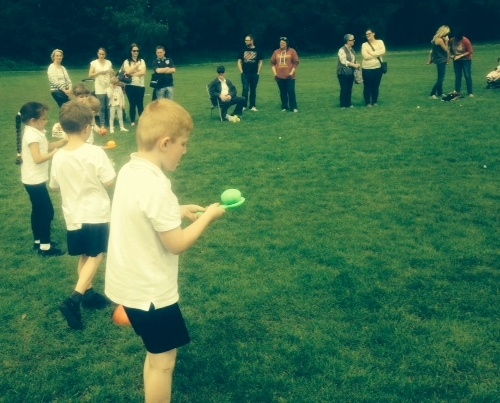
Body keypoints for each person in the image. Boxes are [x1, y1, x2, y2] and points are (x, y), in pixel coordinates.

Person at [105, 99, 225, 402]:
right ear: (165, 142)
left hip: (130, 287)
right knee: (163, 363)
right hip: (151, 295)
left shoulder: (131, 170)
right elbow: (177, 244)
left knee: (156, 353)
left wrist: (177, 209)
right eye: (183, 144)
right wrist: (209, 216)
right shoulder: (157, 187)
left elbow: (140, 212)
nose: (185, 150)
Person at [49, 101, 116, 330]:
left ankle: (88, 295)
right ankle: (74, 299)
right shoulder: (95, 152)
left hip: (73, 215)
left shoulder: (58, 155)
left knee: (85, 256)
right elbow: (109, 181)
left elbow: (54, 186)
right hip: (95, 212)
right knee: (96, 255)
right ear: (88, 128)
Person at [16, 102, 66, 256]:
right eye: (44, 119)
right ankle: (45, 247)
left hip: (33, 179)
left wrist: (63, 142)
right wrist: (56, 153)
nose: (46, 121)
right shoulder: (31, 135)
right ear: (33, 120)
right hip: (34, 180)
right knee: (47, 212)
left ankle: (38, 241)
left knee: (38, 210)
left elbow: (46, 147)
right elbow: (38, 158)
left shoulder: (35, 131)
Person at [271, 37, 300, 112]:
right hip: (279, 76)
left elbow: (295, 62)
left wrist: (291, 72)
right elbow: (272, 63)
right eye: (280, 43)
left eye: (283, 43)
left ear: (287, 44)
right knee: (282, 92)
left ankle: (293, 107)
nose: (281, 44)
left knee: (290, 91)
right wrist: (275, 73)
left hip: (290, 76)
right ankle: (284, 106)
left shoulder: (292, 51)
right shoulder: (276, 52)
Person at [122, 43, 147, 126]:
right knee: (132, 104)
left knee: (140, 104)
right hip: (130, 86)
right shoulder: (127, 61)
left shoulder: (142, 61)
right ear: (131, 51)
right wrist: (136, 66)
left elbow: (143, 72)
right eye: (134, 51)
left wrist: (132, 74)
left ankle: (142, 120)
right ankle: (132, 121)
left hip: (140, 85)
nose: (136, 52)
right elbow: (127, 71)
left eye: (137, 51)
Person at [237, 34, 263, 111]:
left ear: (251, 41)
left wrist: (258, 72)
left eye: (247, 40)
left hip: (254, 74)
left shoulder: (258, 50)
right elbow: (239, 61)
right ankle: (243, 106)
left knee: (253, 90)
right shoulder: (242, 50)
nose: (245, 42)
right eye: (245, 40)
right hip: (245, 74)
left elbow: (261, 61)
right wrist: (241, 71)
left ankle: (252, 106)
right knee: (245, 89)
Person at [88, 48, 113, 129]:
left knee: (109, 105)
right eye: (100, 54)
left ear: (105, 54)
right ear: (97, 54)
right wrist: (99, 72)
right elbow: (90, 75)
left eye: (103, 54)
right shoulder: (94, 63)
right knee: (101, 106)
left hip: (108, 86)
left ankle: (110, 122)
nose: (101, 56)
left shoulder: (109, 62)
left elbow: (111, 74)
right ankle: (102, 124)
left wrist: (112, 73)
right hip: (99, 86)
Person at [361, 28, 386, 107]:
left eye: (369, 33)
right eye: (366, 34)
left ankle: (375, 101)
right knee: (368, 86)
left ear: (373, 33)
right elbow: (365, 56)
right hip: (367, 69)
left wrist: (371, 53)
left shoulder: (380, 42)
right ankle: (367, 102)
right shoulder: (364, 45)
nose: (368, 35)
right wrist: (377, 54)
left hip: (378, 68)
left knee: (376, 85)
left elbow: (383, 51)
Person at [337, 34, 361, 108]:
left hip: (350, 72)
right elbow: (343, 61)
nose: (354, 41)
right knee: (344, 88)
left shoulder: (352, 50)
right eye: (352, 40)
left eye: (353, 39)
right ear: (347, 41)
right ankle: (343, 104)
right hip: (342, 72)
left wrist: (356, 64)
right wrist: (353, 65)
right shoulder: (342, 50)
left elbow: (353, 60)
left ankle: (348, 103)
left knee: (350, 88)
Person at [428, 25, 451, 99]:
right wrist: (447, 41)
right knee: (441, 78)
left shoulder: (435, 39)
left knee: (440, 77)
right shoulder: (440, 40)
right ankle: (432, 94)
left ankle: (440, 93)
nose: (447, 35)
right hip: (441, 60)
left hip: (438, 59)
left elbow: (432, 51)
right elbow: (446, 50)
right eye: (447, 33)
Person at [450, 32, 474, 97]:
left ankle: (470, 92)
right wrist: (451, 55)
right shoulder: (452, 40)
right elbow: (449, 50)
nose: (455, 39)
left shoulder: (465, 40)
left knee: (467, 75)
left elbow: (470, 51)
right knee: (458, 76)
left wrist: (460, 56)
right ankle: (457, 91)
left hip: (466, 60)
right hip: (456, 61)